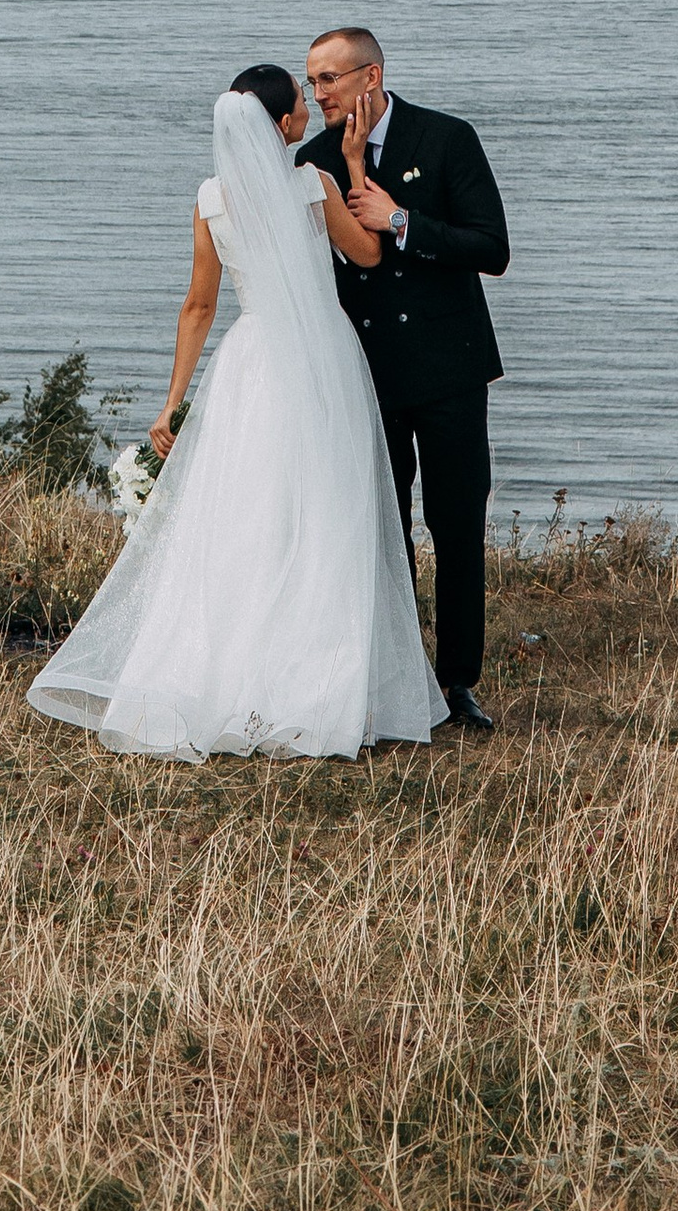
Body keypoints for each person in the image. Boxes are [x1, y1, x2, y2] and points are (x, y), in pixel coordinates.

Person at [25, 66, 446, 761]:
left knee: (247, 513)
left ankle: (222, 674)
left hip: (251, 366)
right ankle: (319, 683)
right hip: (321, 356)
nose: (308, 109)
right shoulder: (312, 185)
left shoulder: (211, 200)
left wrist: (173, 402)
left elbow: (199, 305)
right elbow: (369, 253)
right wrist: (352, 166)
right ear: (280, 125)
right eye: (300, 103)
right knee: (325, 508)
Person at [296, 23, 509, 734]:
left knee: (457, 524)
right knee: (382, 529)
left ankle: (457, 683)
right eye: (311, 82)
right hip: (366, 372)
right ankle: (395, 678)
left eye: (329, 78)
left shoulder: (447, 138)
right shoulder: (313, 160)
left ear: (371, 77)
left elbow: (492, 248)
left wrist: (402, 221)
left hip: (450, 369)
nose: (318, 94)